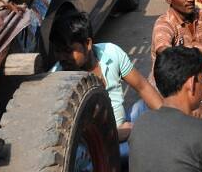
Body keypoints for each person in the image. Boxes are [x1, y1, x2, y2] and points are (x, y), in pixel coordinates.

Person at [50, 10, 163, 159]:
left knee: (144, 107)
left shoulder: (111, 52)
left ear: (88, 44)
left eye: (68, 51)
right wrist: (116, 134)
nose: (62, 57)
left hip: (123, 128)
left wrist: (170, 120)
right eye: (57, 51)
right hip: (95, 148)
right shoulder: (58, 80)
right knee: (147, 145)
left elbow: (142, 86)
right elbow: (69, 138)